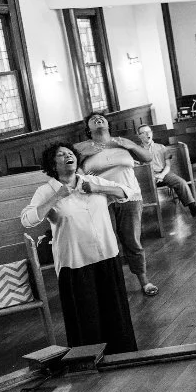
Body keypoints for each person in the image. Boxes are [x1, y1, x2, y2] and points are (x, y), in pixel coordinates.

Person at [21, 143, 138, 353]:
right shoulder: (46, 191)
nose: (68, 156)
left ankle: (123, 356)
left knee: (115, 312)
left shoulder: (92, 181)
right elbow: (27, 220)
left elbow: (128, 192)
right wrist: (57, 197)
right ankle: (89, 359)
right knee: (86, 317)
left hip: (106, 255)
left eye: (70, 153)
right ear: (53, 165)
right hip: (75, 263)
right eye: (61, 154)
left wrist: (98, 188)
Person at [75, 113, 157, 297]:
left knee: (132, 241)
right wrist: (82, 163)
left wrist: (131, 145)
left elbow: (148, 158)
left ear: (108, 124)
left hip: (130, 197)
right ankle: (113, 285)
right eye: (93, 119)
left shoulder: (121, 142)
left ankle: (144, 281)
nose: (98, 119)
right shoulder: (81, 148)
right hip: (100, 200)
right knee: (107, 244)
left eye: (101, 117)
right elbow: (74, 171)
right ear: (88, 128)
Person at [136, 125, 196, 218]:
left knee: (181, 182)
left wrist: (162, 175)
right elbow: (138, 168)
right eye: (144, 133)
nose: (147, 134)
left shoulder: (161, 147)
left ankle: (192, 208)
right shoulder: (137, 150)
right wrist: (152, 176)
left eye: (149, 131)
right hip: (148, 176)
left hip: (164, 173)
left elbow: (168, 165)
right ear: (139, 136)